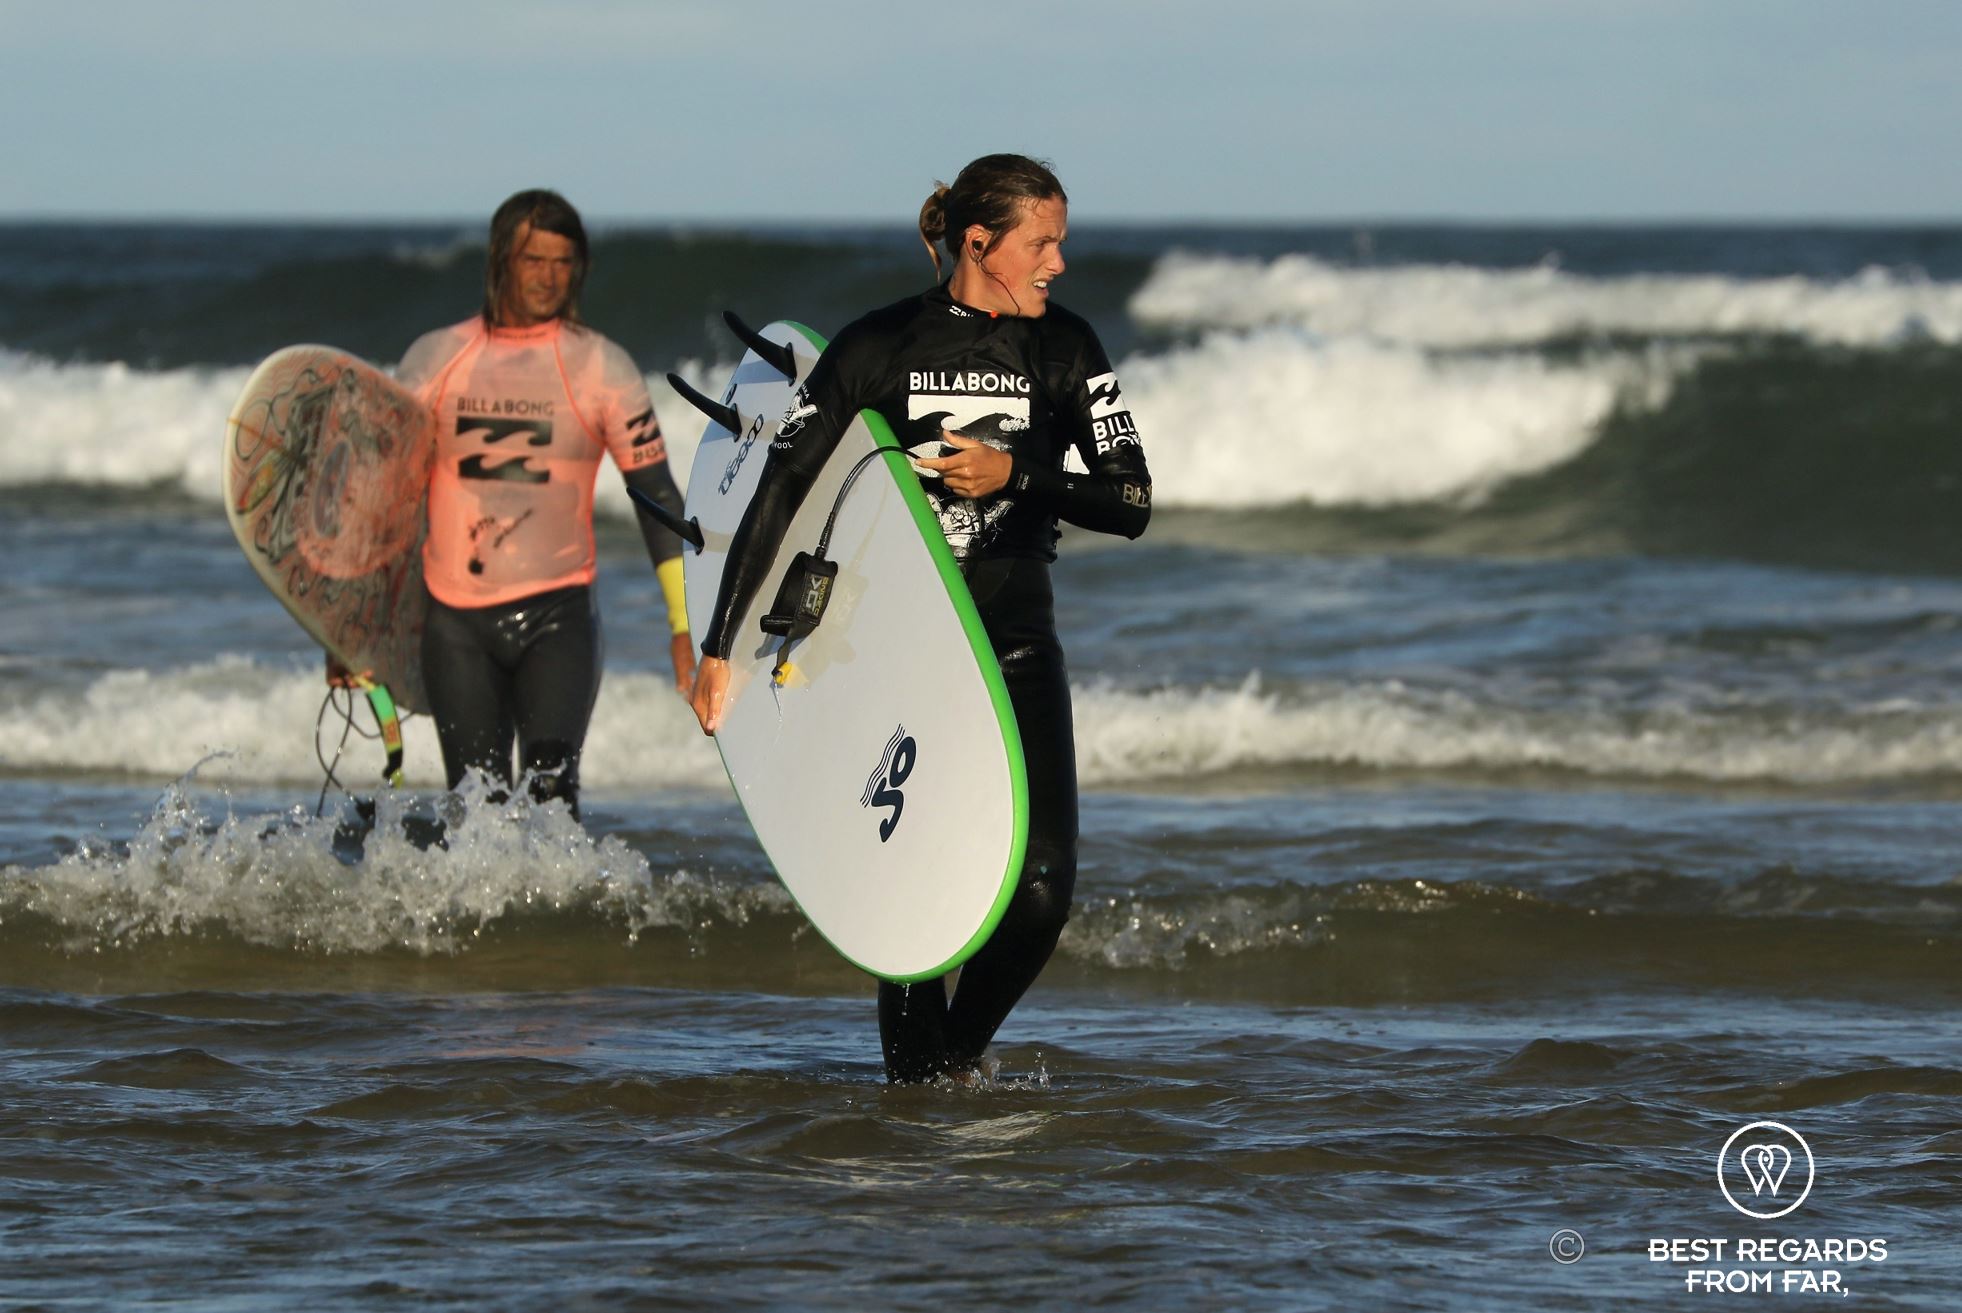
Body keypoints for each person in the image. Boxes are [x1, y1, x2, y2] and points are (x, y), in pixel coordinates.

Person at [688, 154, 1153, 1083]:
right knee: (911, 896)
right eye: (1043, 243)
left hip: (1015, 645)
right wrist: (719, 643)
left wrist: (1015, 475)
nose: (1058, 263)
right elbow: (780, 488)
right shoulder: (878, 345)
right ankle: (916, 1098)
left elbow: (1131, 498)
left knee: (1043, 890)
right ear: (979, 243)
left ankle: (948, 1059)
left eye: (1060, 242)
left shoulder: (1065, 347)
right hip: (901, 647)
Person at [381, 189, 693, 818]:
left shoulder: (601, 366)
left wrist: (684, 625)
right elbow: (385, 499)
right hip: (453, 620)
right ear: (500, 259)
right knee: (475, 812)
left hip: (559, 618)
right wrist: (352, 636)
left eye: (563, 262)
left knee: (553, 805)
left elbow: (656, 496)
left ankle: (562, 921)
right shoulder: (436, 358)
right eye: (534, 260)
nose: (550, 278)